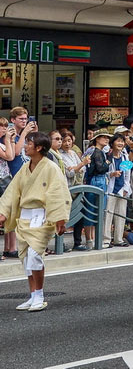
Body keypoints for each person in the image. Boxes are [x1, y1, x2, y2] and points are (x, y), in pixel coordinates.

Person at [0, 131, 72, 311]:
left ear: (39, 147)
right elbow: (12, 191)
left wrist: (60, 218)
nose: (25, 146)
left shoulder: (51, 168)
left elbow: (58, 193)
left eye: (28, 143)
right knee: (25, 258)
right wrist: (3, 212)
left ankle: (39, 294)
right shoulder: (26, 168)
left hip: (42, 215)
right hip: (25, 216)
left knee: (34, 255)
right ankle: (32, 295)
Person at [5, 108, 36, 259]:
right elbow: (16, 153)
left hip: (24, 176)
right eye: (21, 119)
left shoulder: (23, 135)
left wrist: (33, 134)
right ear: (13, 120)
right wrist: (23, 134)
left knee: (17, 214)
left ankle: (12, 247)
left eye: (26, 119)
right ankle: (10, 247)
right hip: (11, 177)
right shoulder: (9, 134)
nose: (24, 121)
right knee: (11, 213)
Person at [102, 133, 131, 248]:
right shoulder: (107, 156)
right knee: (108, 215)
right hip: (110, 190)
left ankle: (118, 239)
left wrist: (126, 188)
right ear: (112, 143)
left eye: (122, 141)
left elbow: (127, 175)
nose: (120, 144)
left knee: (121, 215)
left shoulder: (125, 156)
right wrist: (112, 174)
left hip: (122, 190)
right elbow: (103, 173)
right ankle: (106, 239)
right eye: (118, 141)